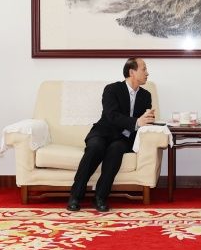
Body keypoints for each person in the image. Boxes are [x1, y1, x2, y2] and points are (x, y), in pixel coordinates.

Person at [66, 57, 155, 212]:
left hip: (124, 138)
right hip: (103, 132)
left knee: (116, 150)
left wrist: (149, 119)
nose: (147, 73)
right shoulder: (112, 89)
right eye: (144, 69)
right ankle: (75, 195)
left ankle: (100, 197)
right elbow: (111, 115)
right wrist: (136, 122)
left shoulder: (146, 95)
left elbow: (144, 121)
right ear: (132, 72)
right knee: (95, 147)